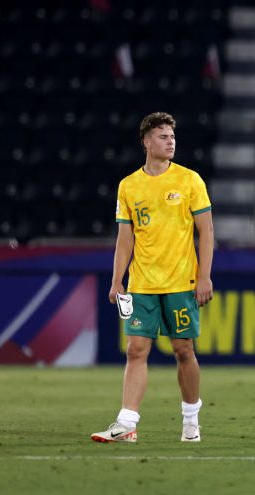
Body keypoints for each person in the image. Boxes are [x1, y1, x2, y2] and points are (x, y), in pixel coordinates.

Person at [91, 112, 214, 443]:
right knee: (135, 350)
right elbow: (125, 239)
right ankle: (127, 423)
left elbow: (206, 231)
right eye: (163, 136)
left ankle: (191, 420)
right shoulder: (129, 186)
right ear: (146, 141)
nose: (170, 141)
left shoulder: (190, 180)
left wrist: (204, 276)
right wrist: (117, 280)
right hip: (141, 283)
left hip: (181, 282)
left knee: (183, 350)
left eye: (172, 136)